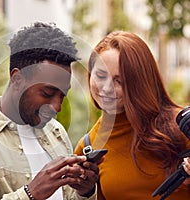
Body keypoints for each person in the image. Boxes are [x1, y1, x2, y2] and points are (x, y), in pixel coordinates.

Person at [0, 22, 100, 200]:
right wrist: (31, 194)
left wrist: (85, 192)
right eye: (47, 93)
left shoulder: (56, 132)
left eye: (62, 96)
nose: (56, 107)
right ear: (17, 80)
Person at [74, 31, 190, 199]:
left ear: (140, 83)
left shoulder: (182, 126)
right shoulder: (89, 147)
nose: (106, 88)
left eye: (119, 80)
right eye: (100, 75)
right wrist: (84, 192)